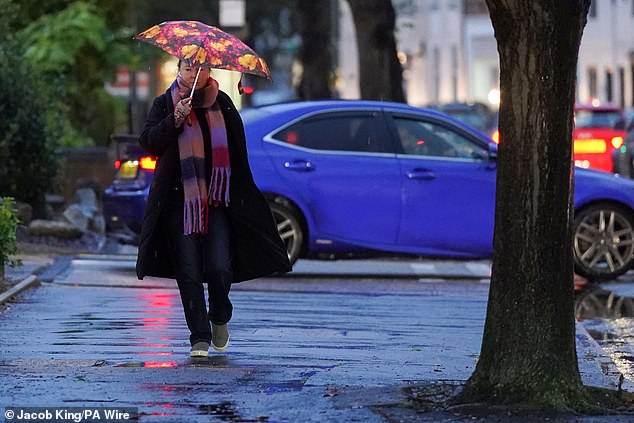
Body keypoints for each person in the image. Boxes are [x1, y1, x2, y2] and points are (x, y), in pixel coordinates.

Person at [135, 60, 292, 358]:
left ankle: (219, 315)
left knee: (220, 268)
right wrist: (174, 120)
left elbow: (238, 154)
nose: (195, 74)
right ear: (179, 71)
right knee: (189, 270)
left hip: (218, 201)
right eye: (189, 68)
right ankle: (199, 337)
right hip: (179, 203)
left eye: (201, 68)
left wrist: (241, 196)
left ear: (209, 73)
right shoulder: (165, 103)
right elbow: (149, 143)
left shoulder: (223, 104)